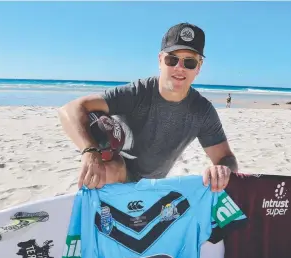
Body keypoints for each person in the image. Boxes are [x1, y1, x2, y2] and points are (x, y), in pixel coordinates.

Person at [58, 22, 238, 192]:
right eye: (172, 60)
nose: (179, 68)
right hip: (116, 171)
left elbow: (226, 158)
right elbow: (70, 109)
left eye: (189, 62)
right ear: (160, 60)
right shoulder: (137, 93)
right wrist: (90, 151)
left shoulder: (202, 111)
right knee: (105, 169)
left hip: (152, 188)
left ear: (199, 67)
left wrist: (223, 170)